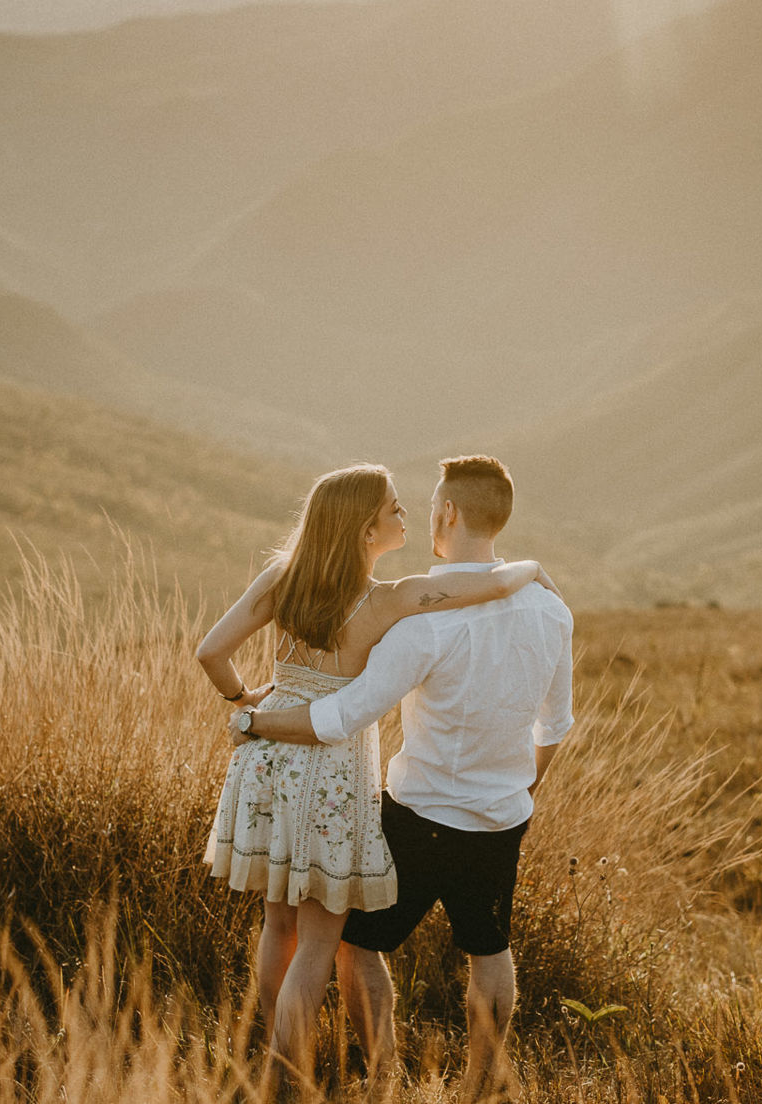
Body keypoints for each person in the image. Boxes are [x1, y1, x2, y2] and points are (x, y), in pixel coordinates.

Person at [197, 462, 551, 1088]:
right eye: (393, 508)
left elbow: (210, 651)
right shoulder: (391, 600)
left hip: (266, 753)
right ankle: (283, 1073)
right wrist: (531, 569)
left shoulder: (282, 577)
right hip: (328, 768)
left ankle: (268, 1044)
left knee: (277, 923)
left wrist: (244, 701)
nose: (404, 515)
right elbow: (491, 585)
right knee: (317, 941)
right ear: (366, 530)